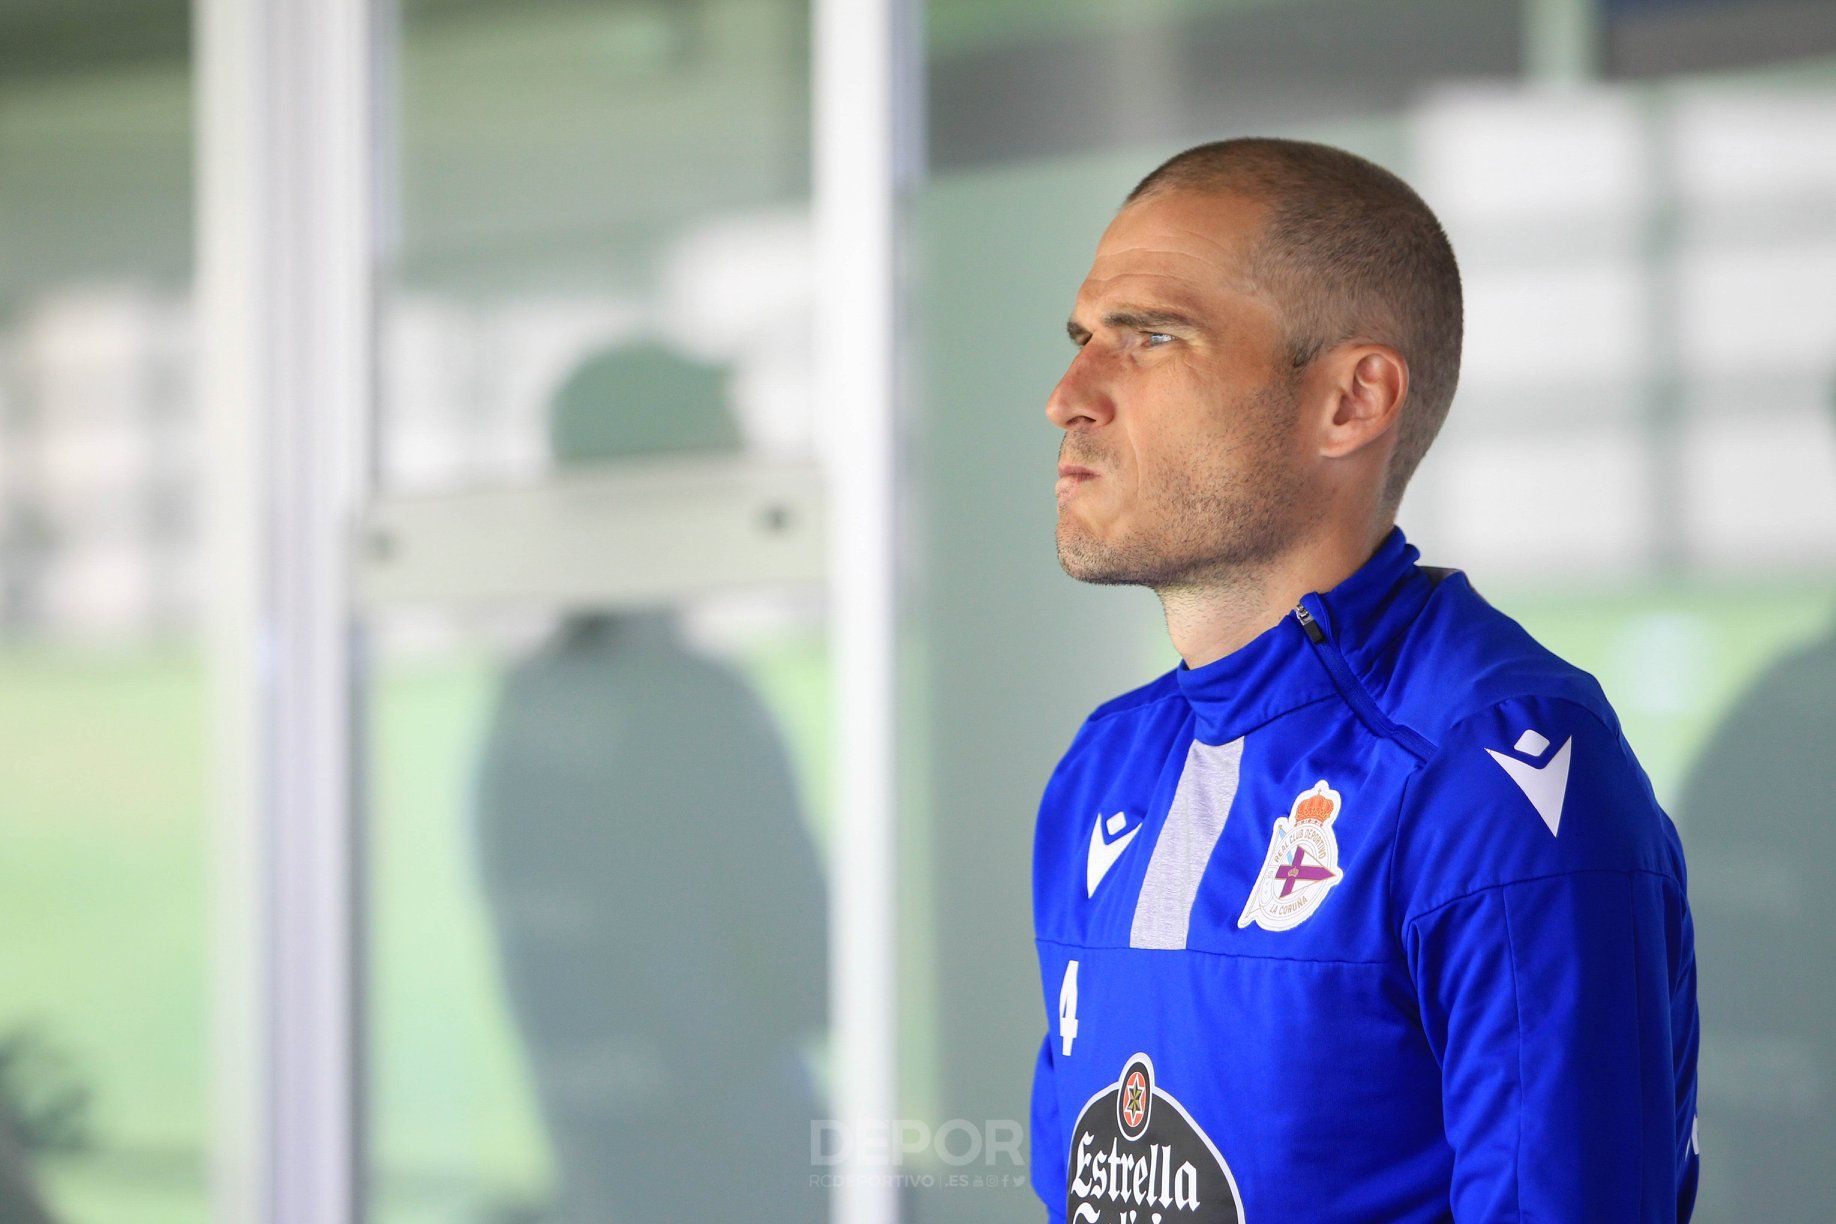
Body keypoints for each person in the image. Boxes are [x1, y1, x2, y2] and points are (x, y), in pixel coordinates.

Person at [1030, 138, 1699, 1222]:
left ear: (1352, 401)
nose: (1068, 396)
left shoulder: (1497, 771)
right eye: (1082, 339)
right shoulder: (1105, 766)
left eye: (1150, 337)